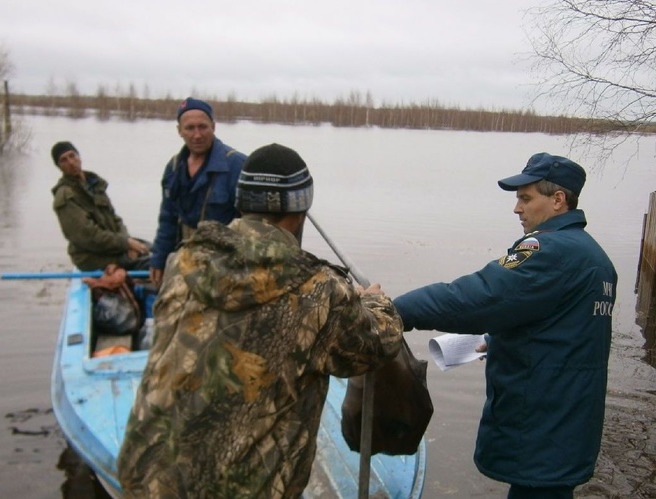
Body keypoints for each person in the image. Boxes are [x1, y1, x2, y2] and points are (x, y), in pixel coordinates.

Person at [117, 143, 404, 498]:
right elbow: (377, 345)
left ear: (240, 201)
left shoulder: (184, 260)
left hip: (146, 478)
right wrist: (375, 302)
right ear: (300, 211)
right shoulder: (320, 289)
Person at [392, 153, 618, 499]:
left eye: (525, 198)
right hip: (570, 424)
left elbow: (477, 298)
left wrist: (395, 310)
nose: (517, 208)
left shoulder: (548, 250)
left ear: (558, 200)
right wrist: (495, 339)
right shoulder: (595, 257)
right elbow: (564, 331)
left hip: (541, 428)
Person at [149, 97, 246, 287]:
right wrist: (158, 260)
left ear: (214, 126)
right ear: (179, 131)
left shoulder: (237, 165)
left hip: (223, 266)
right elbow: (167, 219)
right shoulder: (174, 167)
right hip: (184, 259)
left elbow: (253, 225)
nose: (197, 135)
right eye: (190, 128)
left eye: (203, 127)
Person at [50, 141, 150, 271]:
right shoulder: (65, 196)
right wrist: (125, 243)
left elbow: (115, 219)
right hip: (92, 256)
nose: (71, 162)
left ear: (79, 156)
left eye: (72, 155)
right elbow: (88, 237)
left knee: (158, 250)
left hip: (114, 247)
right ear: (59, 166)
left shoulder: (94, 184)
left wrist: (127, 241)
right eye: (64, 160)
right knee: (154, 264)